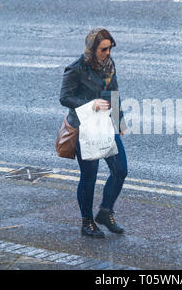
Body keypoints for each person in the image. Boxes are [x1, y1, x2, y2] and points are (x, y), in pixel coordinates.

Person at [59, 27, 128, 238]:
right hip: (84, 128)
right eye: (103, 49)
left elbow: (113, 93)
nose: (107, 53)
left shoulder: (109, 65)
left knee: (121, 170)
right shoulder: (76, 69)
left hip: (106, 125)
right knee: (89, 176)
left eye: (109, 49)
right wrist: (91, 104)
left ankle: (106, 212)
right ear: (92, 48)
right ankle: (87, 222)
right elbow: (65, 97)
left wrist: (119, 121)